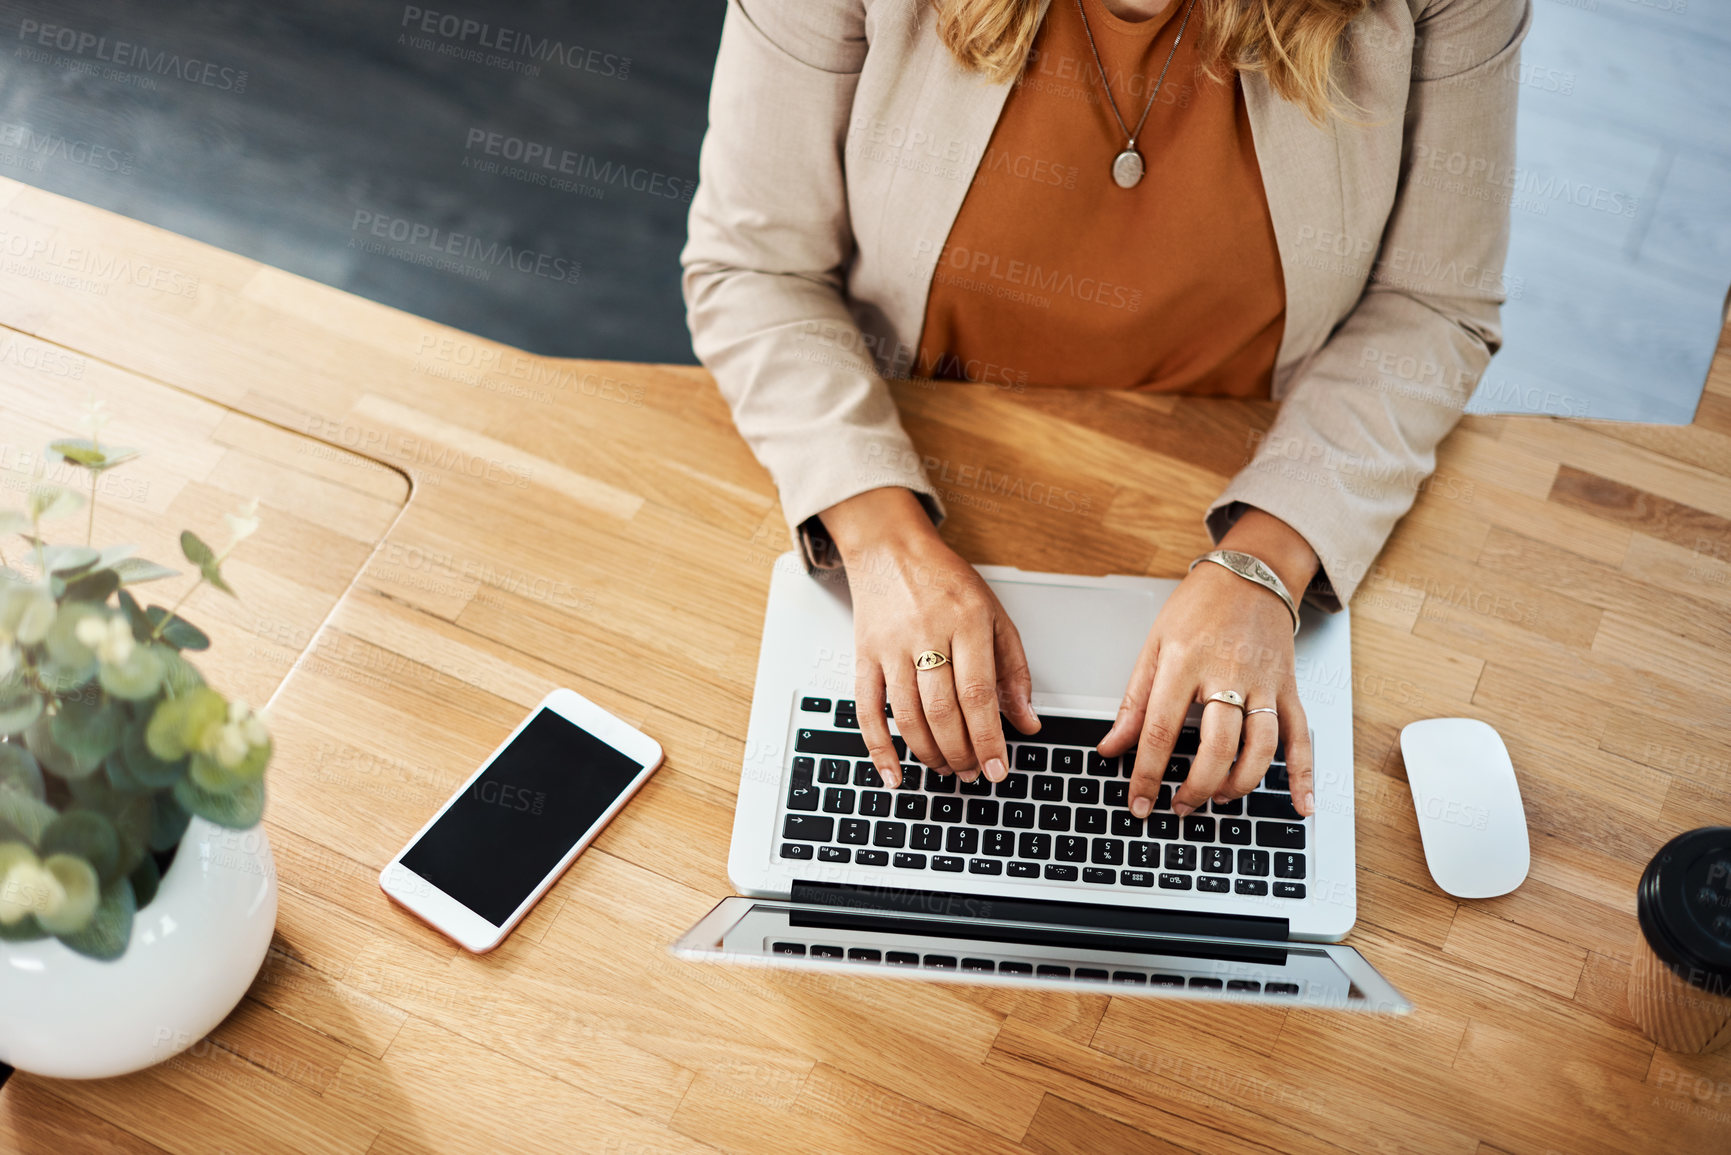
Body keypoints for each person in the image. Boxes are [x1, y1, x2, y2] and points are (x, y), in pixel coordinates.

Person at [682, 0, 1528, 824]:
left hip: (1254, 463)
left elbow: (1431, 304)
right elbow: (754, 269)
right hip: (913, 455)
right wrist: (878, 537)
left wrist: (1268, 560)